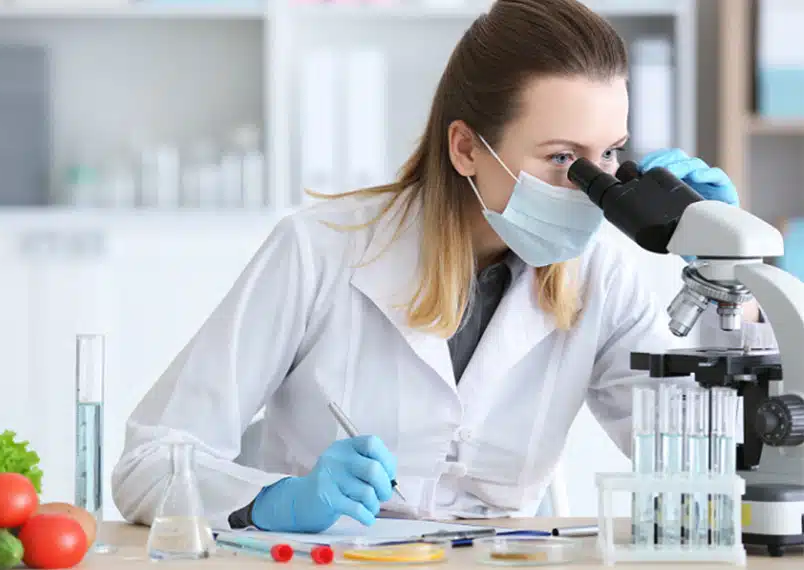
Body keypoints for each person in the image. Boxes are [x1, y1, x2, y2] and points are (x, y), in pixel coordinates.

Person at [112, 0, 775, 533]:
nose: (593, 188)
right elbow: (148, 466)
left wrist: (733, 286)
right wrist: (278, 498)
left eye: (607, 158)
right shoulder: (320, 251)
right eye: (560, 160)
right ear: (466, 147)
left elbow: (717, 470)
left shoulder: (604, 278)